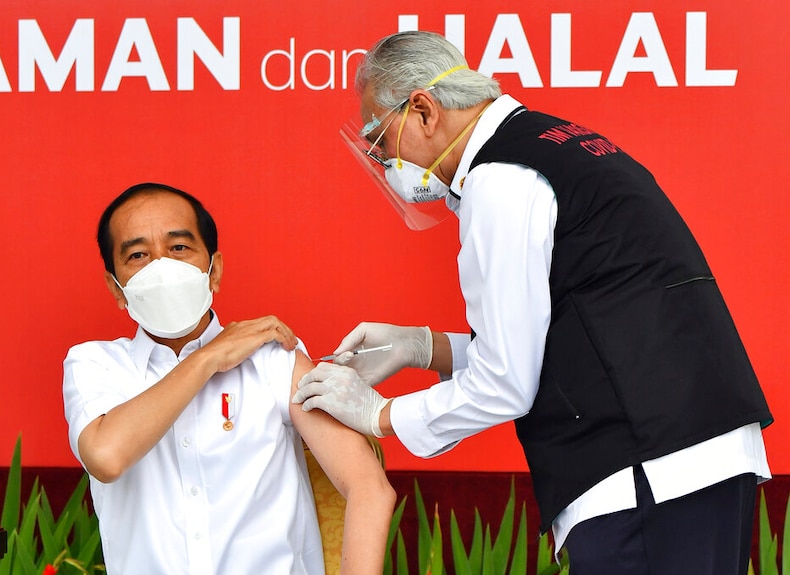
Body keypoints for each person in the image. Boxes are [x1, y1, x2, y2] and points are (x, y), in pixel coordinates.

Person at [293, 31, 773, 574]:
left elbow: (507, 383)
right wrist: (423, 349)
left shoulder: (500, 179)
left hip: (645, 474)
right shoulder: (556, 144)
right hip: (691, 457)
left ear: (424, 111)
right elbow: (568, 340)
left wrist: (381, 414)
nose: (384, 164)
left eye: (381, 141)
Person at [63, 182, 395, 574]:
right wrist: (207, 358)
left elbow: (368, 487)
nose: (160, 266)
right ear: (116, 289)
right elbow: (106, 457)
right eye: (138, 254)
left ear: (213, 270)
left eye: (179, 248)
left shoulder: (273, 358)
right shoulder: (96, 364)